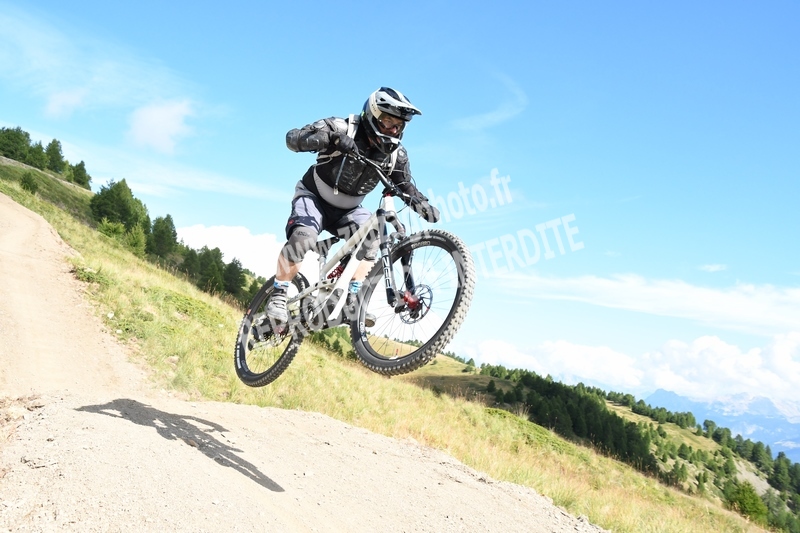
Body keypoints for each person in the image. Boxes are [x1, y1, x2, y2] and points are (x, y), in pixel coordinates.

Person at [266, 87, 441, 325]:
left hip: (348, 211)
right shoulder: (341, 128)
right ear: (372, 115)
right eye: (387, 121)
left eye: (398, 125)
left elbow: (405, 185)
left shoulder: (395, 155)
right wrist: (330, 139)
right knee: (304, 237)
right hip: (313, 197)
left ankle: (351, 301)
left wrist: (422, 205)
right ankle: (279, 293)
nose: (393, 129)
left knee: (373, 238)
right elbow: (292, 139)